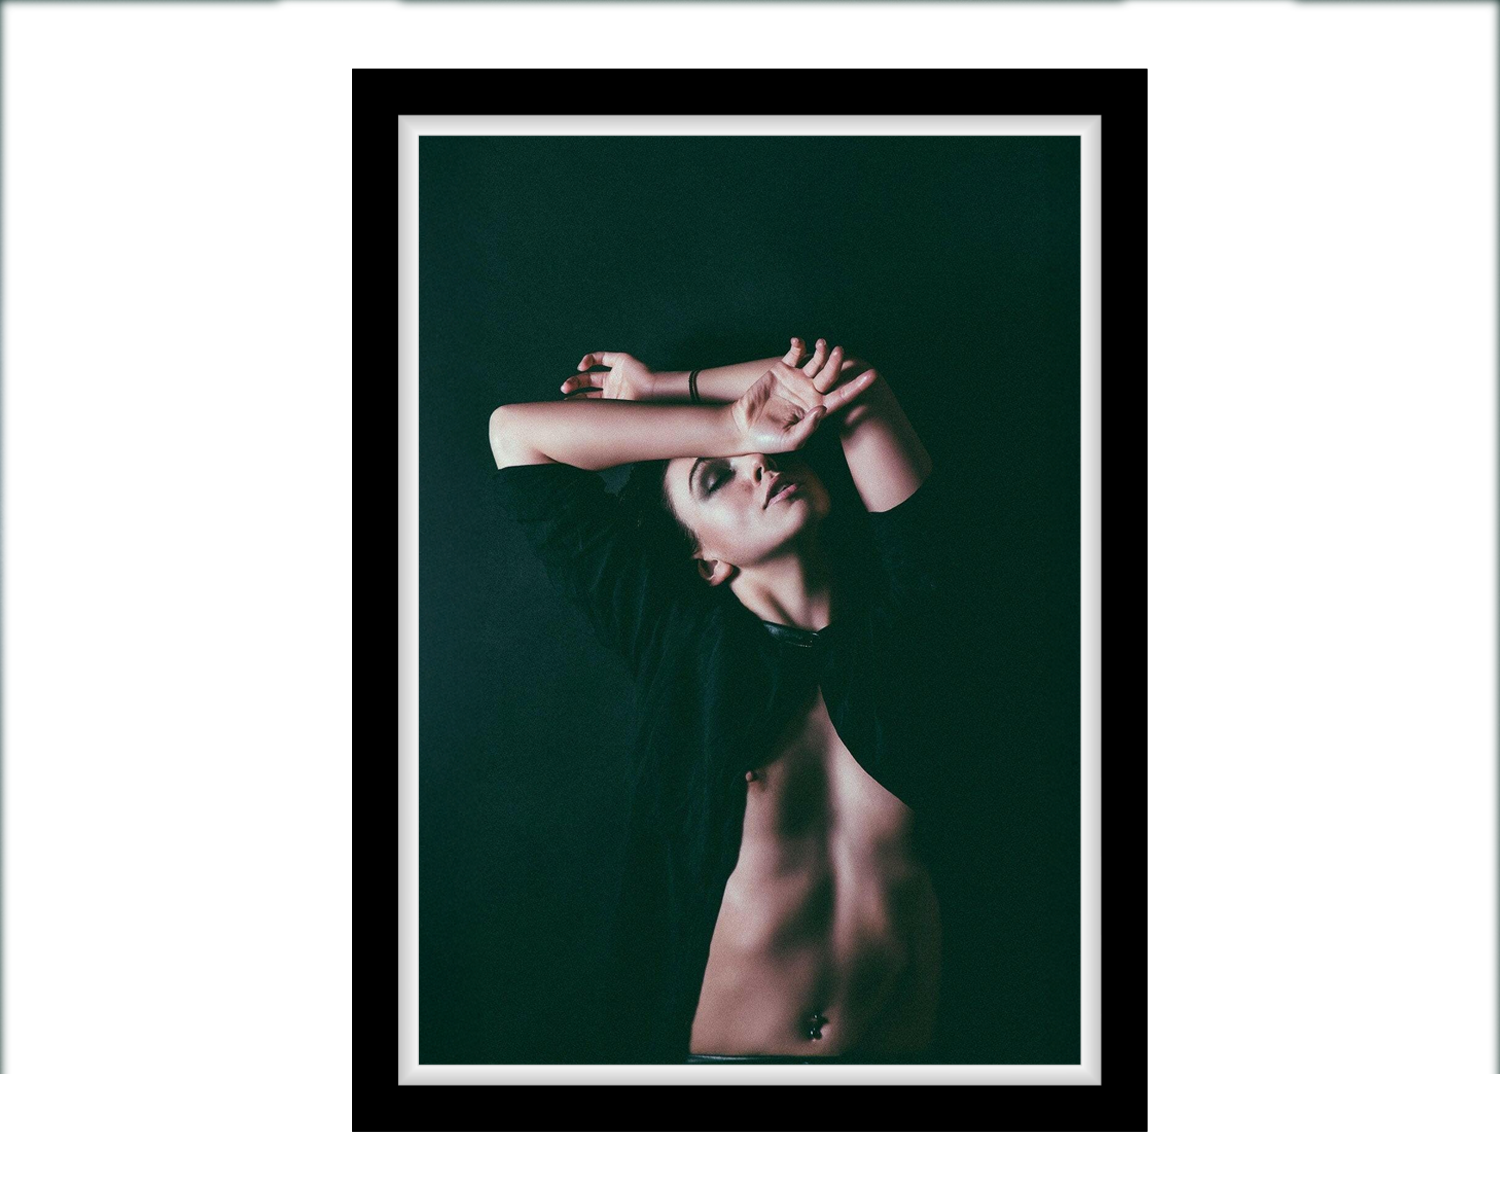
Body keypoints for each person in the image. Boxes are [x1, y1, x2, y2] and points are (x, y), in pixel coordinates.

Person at [489, 337, 966, 1064]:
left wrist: (663, 388)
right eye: (718, 480)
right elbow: (517, 435)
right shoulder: (675, 640)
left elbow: (853, 382)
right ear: (704, 557)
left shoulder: (911, 623)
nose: (762, 465)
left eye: (770, 450)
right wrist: (732, 425)